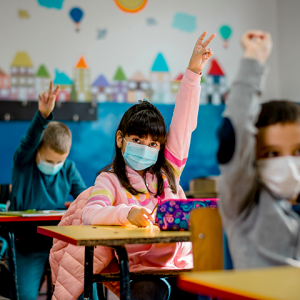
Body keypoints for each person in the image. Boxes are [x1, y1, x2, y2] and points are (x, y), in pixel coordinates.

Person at [49, 31, 216, 300]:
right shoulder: (110, 180)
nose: (146, 148)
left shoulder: (168, 172)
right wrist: (126, 214)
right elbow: (92, 213)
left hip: (182, 265)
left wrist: (194, 72)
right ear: (120, 139)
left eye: (153, 144)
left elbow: (185, 123)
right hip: (144, 272)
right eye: (137, 140)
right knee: (148, 291)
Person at [217, 30, 300, 269]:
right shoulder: (244, 201)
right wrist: (254, 59)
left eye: (297, 151)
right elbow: (237, 130)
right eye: (272, 154)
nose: (288, 163)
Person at [11, 81, 88, 300]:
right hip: (27, 244)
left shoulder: (69, 168)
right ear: (36, 151)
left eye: (59, 162)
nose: (54, 166)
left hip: (60, 242)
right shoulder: (23, 163)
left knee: (77, 291)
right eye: (47, 160)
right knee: (24, 296)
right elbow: (28, 141)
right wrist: (42, 116)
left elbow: (83, 197)